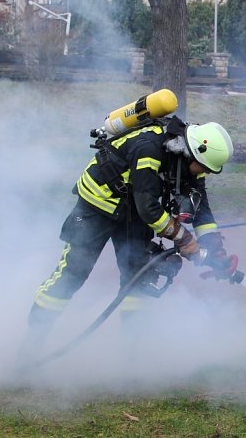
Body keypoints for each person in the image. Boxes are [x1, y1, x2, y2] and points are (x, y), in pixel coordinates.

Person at [19, 115, 235, 362]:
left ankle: (133, 350)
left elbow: (201, 208)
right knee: (73, 273)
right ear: (193, 153)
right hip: (99, 205)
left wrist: (213, 247)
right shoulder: (149, 149)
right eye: (204, 167)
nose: (205, 172)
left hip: (132, 210)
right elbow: (149, 208)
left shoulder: (190, 161)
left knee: (138, 276)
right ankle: (31, 343)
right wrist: (184, 240)